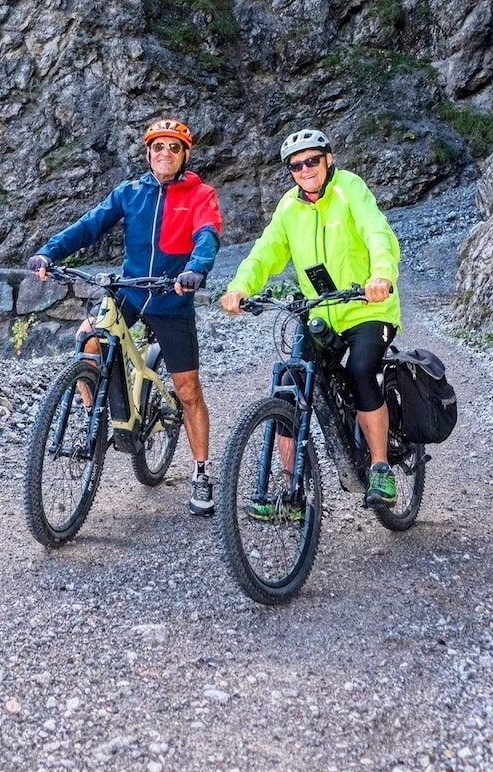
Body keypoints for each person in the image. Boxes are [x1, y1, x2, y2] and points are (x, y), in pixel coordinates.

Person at [27, 119, 222, 517]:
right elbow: (89, 226)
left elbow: (207, 234)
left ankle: (201, 472)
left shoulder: (200, 194)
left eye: (172, 147)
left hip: (171, 297)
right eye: (157, 147)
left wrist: (196, 269)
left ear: (185, 155)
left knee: (187, 391)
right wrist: (49, 252)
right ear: (148, 153)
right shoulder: (130, 192)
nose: (164, 152)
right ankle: (93, 417)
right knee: (88, 339)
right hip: (130, 291)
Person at [220, 127, 401, 509]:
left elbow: (376, 232)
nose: (305, 169)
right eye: (296, 165)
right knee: (289, 382)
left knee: (361, 370)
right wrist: (240, 287)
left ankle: (381, 468)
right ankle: (291, 491)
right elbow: (264, 252)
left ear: (328, 159)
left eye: (312, 160)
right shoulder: (289, 206)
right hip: (320, 313)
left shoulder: (350, 188)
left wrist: (380, 275)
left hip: (367, 307)